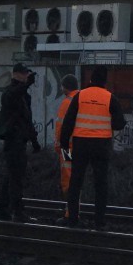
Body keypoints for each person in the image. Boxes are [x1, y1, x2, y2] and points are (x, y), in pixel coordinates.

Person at [59, 65, 126, 230]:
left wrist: (64, 144)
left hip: (81, 144)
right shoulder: (110, 98)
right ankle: (99, 222)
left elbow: (68, 122)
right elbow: (120, 123)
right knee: (101, 184)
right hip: (101, 145)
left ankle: (72, 219)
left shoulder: (80, 96)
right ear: (105, 81)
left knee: (76, 182)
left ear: (91, 79)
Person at [0, 63, 41, 222]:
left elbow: (27, 119)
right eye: (24, 73)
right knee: (15, 177)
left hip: (19, 140)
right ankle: (17, 211)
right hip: (13, 140)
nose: (26, 76)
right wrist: (26, 85)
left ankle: (3, 209)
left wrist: (34, 140)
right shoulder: (10, 93)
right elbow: (11, 97)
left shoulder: (23, 96)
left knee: (12, 176)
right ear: (16, 74)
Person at [53, 73, 80, 222]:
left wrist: (58, 146)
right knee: (77, 179)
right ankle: (73, 210)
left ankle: (70, 213)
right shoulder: (82, 99)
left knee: (68, 180)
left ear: (65, 87)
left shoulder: (67, 102)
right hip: (81, 147)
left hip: (67, 148)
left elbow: (60, 127)